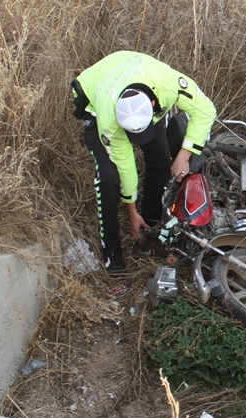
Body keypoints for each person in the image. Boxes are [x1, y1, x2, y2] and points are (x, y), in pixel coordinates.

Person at [71, 51, 216, 274]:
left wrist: (183, 156)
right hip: (95, 97)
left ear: (151, 104)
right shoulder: (109, 118)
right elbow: (126, 165)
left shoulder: (169, 84)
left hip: (141, 79)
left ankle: (152, 224)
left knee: (160, 158)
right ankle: (112, 254)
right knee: (109, 175)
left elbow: (205, 110)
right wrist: (131, 211)